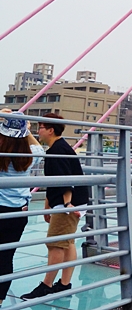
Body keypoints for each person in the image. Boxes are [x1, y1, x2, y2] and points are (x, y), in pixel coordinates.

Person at [22, 113, 89, 301]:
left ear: (51, 130)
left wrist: (66, 204)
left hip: (69, 202)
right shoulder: (60, 147)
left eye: (41, 127)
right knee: (67, 243)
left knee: (55, 244)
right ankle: (64, 285)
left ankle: (46, 285)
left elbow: (66, 180)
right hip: (72, 200)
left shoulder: (56, 151)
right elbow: (56, 181)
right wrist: (48, 203)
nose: (38, 131)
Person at [0, 110, 44, 305]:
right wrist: (23, 126)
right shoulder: (31, 154)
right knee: (5, 257)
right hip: (18, 213)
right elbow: (38, 147)